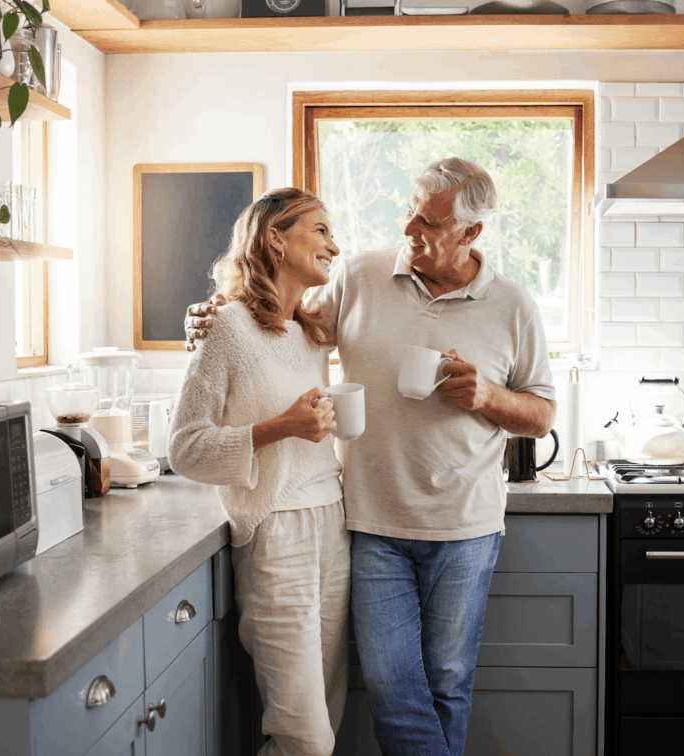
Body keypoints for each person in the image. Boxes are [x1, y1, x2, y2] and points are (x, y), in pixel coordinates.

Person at [186, 157, 556, 756]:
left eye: (429, 222)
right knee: (387, 683)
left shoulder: (513, 306)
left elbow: (541, 414)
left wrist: (487, 395)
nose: (410, 229)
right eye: (409, 211)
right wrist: (213, 313)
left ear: (471, 233)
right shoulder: (360, 276)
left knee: (448, 682)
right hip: (369, 521)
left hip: (466, 527)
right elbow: (283, 323)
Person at [169, 188, 349, 756]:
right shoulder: (226, 328)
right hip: (275, 533)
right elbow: (186, 448)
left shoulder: (313, 332)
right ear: (274, 237)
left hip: (332, 525)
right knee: (305, 738)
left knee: (330, 710)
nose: (334, 245)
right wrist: (282, 426)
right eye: (319, 230)